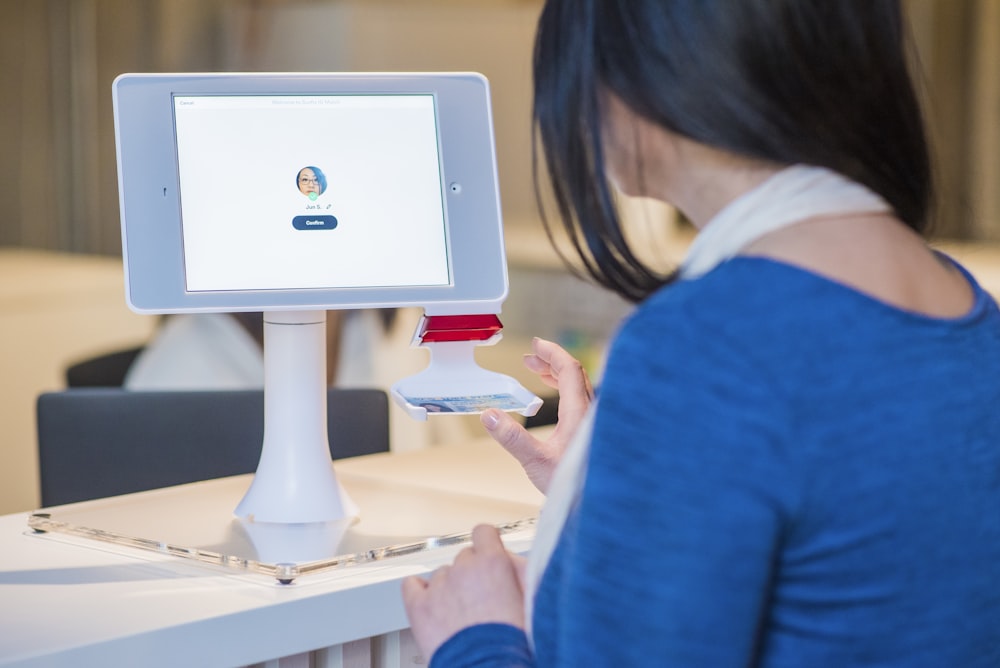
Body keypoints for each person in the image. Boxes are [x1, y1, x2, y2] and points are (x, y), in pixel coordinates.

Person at [401, 1, 1000, 666]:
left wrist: (478, 639)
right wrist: (631, 478)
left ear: (649, 74)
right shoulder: (964, 305)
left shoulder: (705, 346)